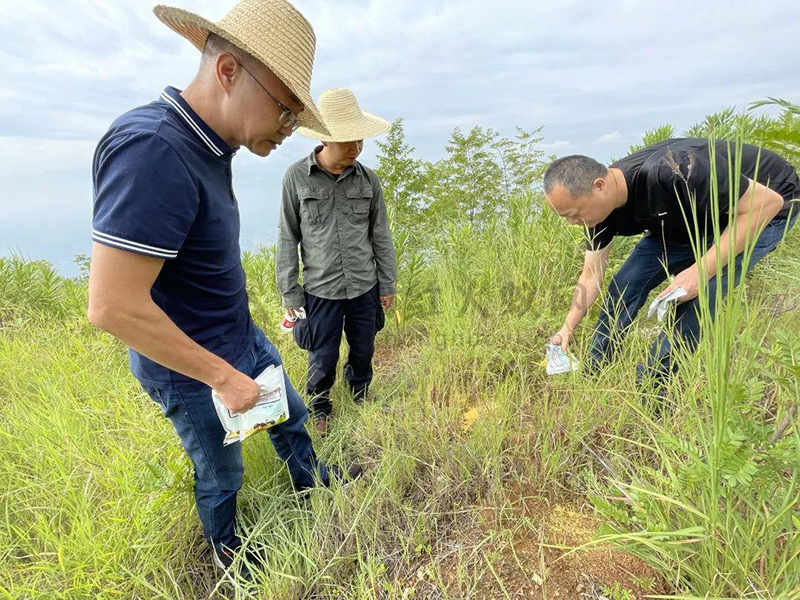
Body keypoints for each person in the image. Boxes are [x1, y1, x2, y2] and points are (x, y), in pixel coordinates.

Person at [87, 0, 360, 579]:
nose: (288, 131)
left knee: (289, 418)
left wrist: (242, 351)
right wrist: (220, 376)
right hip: (193, 367)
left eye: (294, 118)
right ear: (229, 70)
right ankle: (231, 556)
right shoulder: (154, 150)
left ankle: (317, 486)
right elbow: (112, 306)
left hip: (238, 336)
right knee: (221, 471)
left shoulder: (210, 144)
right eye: (284, 111)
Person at [544, 138, 798, 393]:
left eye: (573, 213)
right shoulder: (597, 213)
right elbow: (591, 276)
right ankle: (595, 371)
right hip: (690, 214)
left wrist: (698, 272)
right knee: (624, 284)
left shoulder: (675, 170)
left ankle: (654, 389)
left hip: (765, 205)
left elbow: (767, 203)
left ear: (599, 186)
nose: (573, 222)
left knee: (700, 295)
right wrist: (566, 329)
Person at [276, 88, 397, 436]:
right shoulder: (296, 178)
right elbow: (287, 237)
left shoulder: (369, 180)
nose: (356, 150)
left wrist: (386, 284)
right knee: (321, 355)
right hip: (320, 291)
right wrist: (291, 294)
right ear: (326, 141)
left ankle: (360, 394)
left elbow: (380, 236)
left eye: (359, 142)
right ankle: (319, 408)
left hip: (364, 285)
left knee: (364, 348)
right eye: (348, 143)